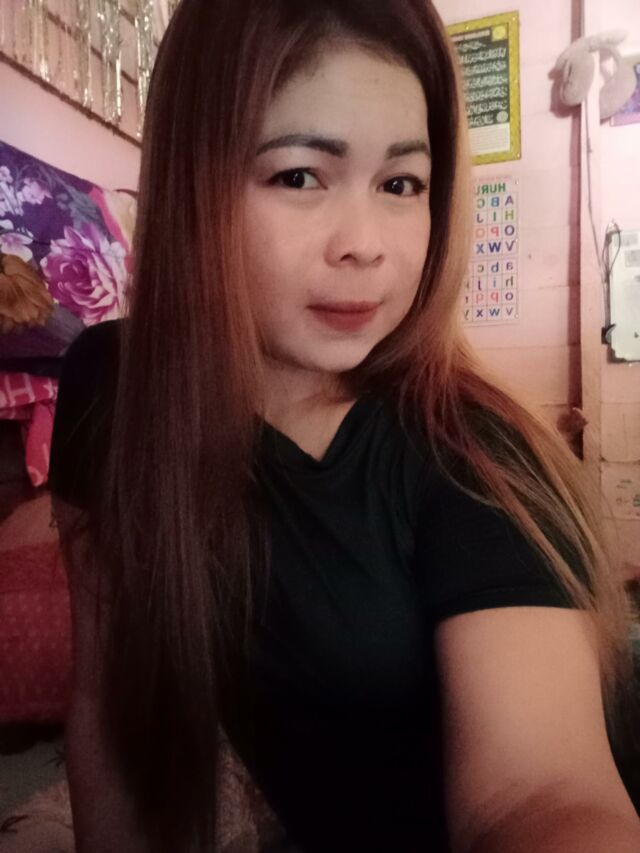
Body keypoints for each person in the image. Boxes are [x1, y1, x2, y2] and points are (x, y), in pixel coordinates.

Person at [48, 1, 640, 851]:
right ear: (192, 184)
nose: (365, 244)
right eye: (299, 176)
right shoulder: (110, 387)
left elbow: (541, 791)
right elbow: (111, 704)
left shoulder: (477, 455)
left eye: (401, 184)